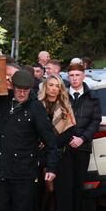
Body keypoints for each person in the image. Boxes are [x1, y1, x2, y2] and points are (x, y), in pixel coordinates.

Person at [0, 70, 58, 211]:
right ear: (12, 87)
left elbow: (50, 139)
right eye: (19, 90)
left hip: (24, 173)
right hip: (1, 171)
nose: (21, 94)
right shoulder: (2, 101)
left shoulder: (35, 107)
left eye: (25, 91)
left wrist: (51, 167)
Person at [38, 74, 76, 211]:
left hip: (61, 156)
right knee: (42, 193)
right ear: (45, 87)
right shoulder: (36, 105)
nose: (54, 89)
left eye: (57, 86)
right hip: (40, 156)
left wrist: (49, 142)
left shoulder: (66, 106)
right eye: (51, 85)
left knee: (61, 193)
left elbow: (70, 132)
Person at [67, 64, 101, 211]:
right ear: (68, 77)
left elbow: (95, 121)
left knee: (79, 184)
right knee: (65, 184)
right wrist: (67, 138)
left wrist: (82, 138)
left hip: (83, 147)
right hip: (64, 147)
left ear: (83, 76)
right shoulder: (62, 95)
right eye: (72, 75)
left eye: (77, 75)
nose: (74, 78)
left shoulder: (93, 97)